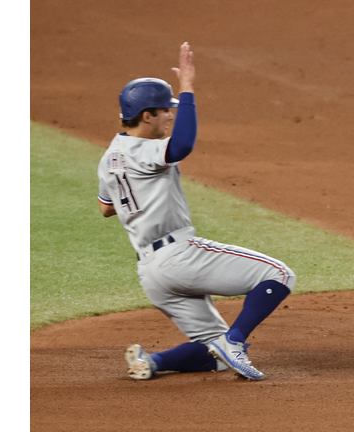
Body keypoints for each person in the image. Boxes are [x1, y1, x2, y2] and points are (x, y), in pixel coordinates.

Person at [97, 42, 296, 380]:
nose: (171, 115)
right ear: (147, 116)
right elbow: (183, 145)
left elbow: (106, 208)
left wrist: (144, 195)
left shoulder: (109, 158)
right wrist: (187, 86)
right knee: (278, 274)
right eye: (165, 110)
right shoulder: (144, 150)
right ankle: (236, 340)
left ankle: (154, 362)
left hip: (152, 274)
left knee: (212, 351)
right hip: (179, 256)